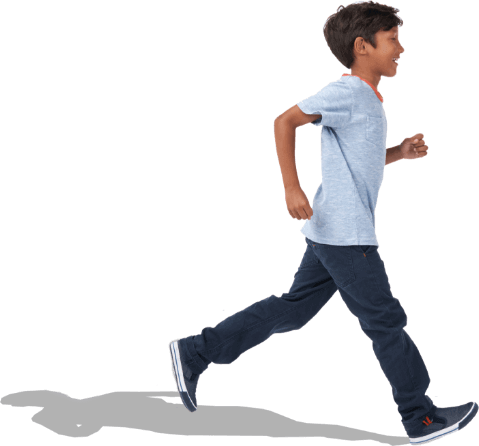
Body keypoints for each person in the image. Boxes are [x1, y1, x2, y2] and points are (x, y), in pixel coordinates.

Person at [169, 2, 477, 444]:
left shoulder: (366, 98)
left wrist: (398, 153)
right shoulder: (347, 91)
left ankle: (195, 352)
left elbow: (361, 159)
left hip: (333, 230)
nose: (401, 48)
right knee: (385, 321)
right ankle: (420, 416)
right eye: (393, 39)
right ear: (362, 46)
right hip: (346, 236)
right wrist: (291, 188)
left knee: (294, 310)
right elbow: (285, 121)